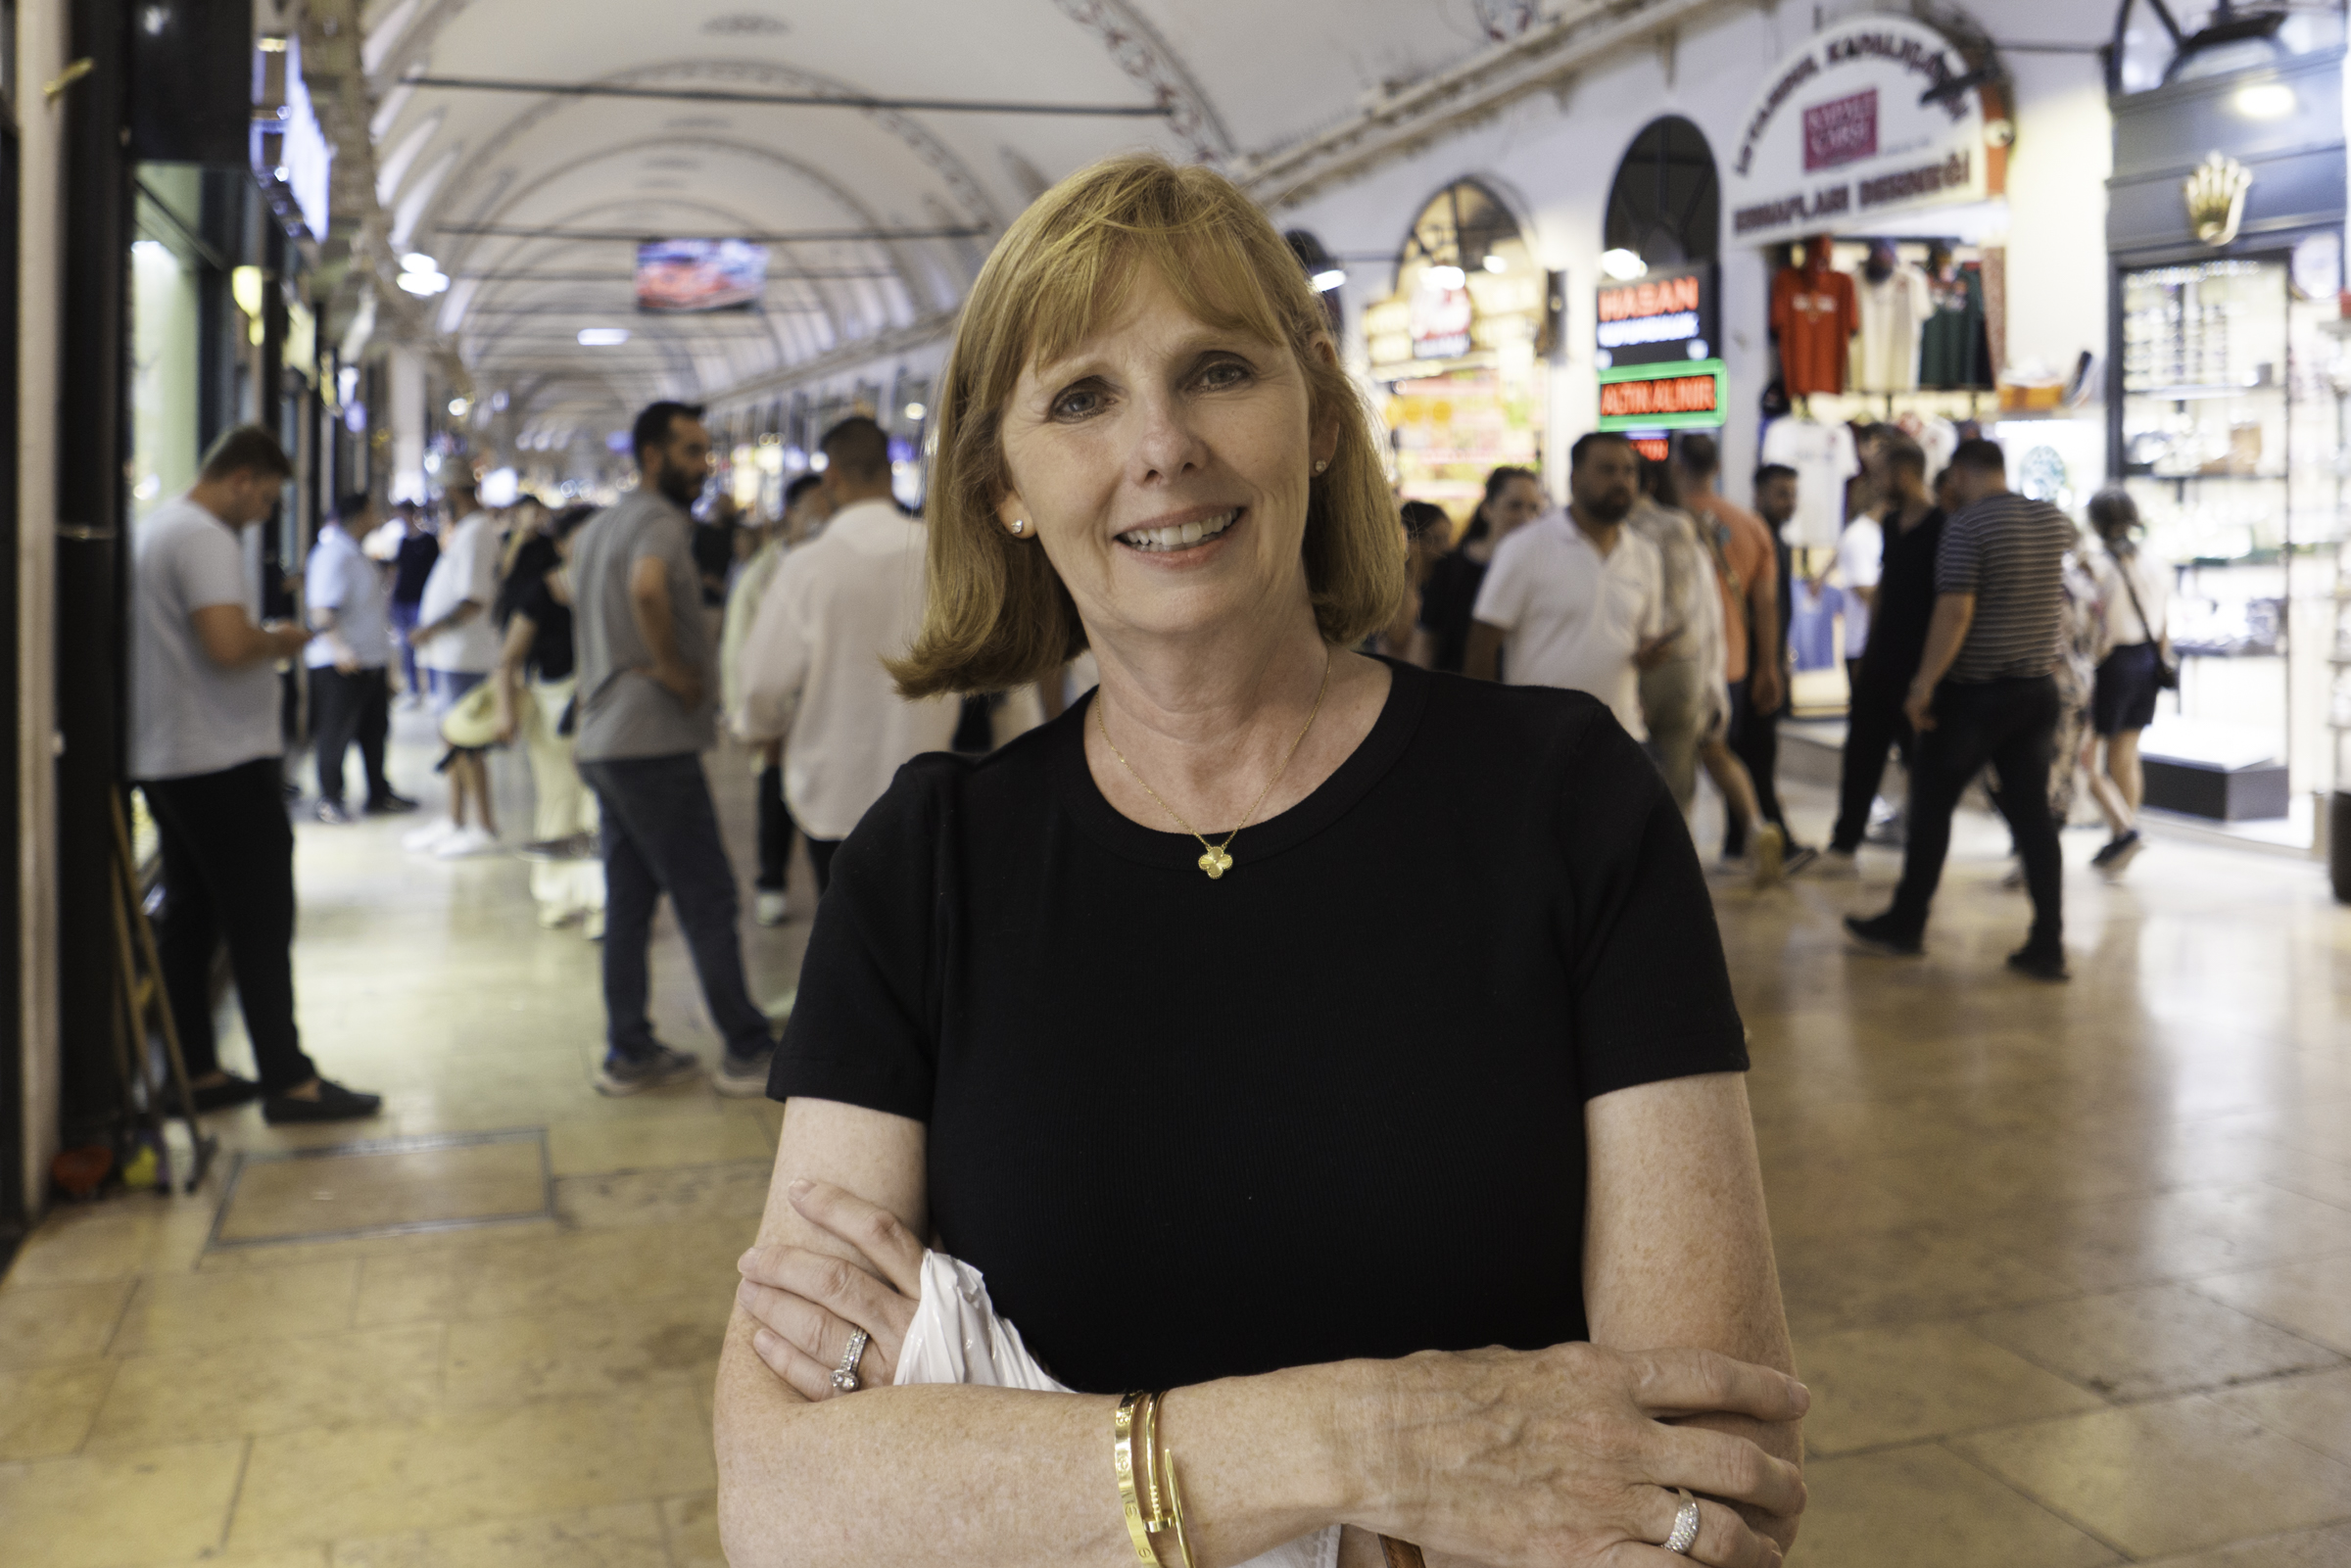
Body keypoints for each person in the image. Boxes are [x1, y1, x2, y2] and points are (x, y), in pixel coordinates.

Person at [714, 152, 1804, 1568]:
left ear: (1321, 416)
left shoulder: (1564, 800)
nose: (1162, 445)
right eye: (1082, 397)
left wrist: (1023, 1462)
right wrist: (1371, 1442)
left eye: (1219, 369)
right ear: (1004, 487)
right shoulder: (924, 868)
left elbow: (1707, 1481)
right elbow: (788, 1505)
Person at [129, 426, 383, 1123]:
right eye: (268, 498)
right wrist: (281, 639)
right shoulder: (204, 536)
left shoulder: (161, 528)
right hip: (219, 758)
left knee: (193, 917)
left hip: (173, 755)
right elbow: (225, 641)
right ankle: (289, 1081)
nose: (266, 513)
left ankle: (195, 1072)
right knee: (261, 918)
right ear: (241, 478)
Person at [571, 401, 778, 1097]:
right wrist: (674, 669)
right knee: (706, 895)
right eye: (690, 451)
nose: (703, 465)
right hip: (650, 742)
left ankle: (628, 1049)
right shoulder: (660, 521)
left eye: (704, 451)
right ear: (652, 456)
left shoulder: (600, 525)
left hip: (605, 738)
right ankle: (746, 1046)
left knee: (629, 900)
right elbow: (648, 587)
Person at [1847, 438, 2076, 980]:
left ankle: (1907, 924)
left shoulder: (1966, 526)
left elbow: (1955, 611)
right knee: (2033, 817)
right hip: (2036, 689)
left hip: (1976, 694)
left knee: (1930, 807)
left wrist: (1923, 685)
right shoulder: (2051, 520)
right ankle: (2048, 942)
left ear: (1963, 474)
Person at [737, 417, 962, 894]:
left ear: (832, 477)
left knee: (845, 913)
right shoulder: (944, 556)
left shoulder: (807, 567)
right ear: (889, 470)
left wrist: (759, 729)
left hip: (833, 786)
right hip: (929, 777)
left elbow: (761, 682)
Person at [1463, 435, 1671, 746]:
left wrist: (1651, 655)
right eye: (1607, 470)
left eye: (1629, 471)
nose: (1621, 481)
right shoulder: (1525, 547)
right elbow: (1482, 646)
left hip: (1620, 737)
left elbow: (1642, 643)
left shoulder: (1646, 555)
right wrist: (1491, 727)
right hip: (1540, 738)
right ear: (1574, 478)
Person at [1825, 438, 1943, 868]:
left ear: (1903, 473)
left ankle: (1923, 851)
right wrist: (1868, 653)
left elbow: (1947, 605)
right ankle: (1845, 844)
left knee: (1923, 762)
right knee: (1862, 753)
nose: (1874, 484)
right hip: (1881, 663)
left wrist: (1929, 677)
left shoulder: (1942, 527)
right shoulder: (1891, 525)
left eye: (1879, 475)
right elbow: (1884, 594)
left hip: (1917, 665)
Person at [723, 473, 834, 926]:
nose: (822, 515)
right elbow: (739, 646)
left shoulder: (832, 562)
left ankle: (832, 899)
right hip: (780, 713)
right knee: (776, 799)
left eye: (828, 504)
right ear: (792, 512)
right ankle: (771, 882)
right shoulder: (764, 572)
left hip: (826, 709)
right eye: (814, 506)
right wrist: (750, 717)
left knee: (826, 807)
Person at [492, 503, 605, 931]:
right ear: (560, 545)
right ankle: (558, 894)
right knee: (558, 797)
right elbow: (509, 658)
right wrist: (505, 711)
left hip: (602, 706)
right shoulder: (541, 591)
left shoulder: (613, 586)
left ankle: (600, 899)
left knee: (599, 802)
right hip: (552, 707)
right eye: (581, 536)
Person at [1677, 435, 1787, 861]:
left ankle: (1675, 852)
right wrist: (1769, 666)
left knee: (1671, 758)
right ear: (1718, 468)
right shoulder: (1751, 525)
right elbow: (1766, 605)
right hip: (1732, 663)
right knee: (1719, 750)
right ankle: (1751, 832)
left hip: (1673, 661)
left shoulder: (1665, 520)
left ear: (1675, 468)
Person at [405, 478, 504, 857]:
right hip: (450, 655)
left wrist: (429, 629)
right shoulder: (465, 531)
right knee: (453, 740)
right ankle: (455, 818)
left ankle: (483, 825)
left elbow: (473, 599)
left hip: (464, 654)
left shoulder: (477, 532)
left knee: (468, 742)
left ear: (456, 492)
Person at [304, 492, 415, 824]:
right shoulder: (333, 553)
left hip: (369, 661)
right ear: (360, 515)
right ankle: (329, 798)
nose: (377, 518)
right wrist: (339, 648)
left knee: (374, 732)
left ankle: (379, 793)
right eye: (372, 512)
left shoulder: (354, 552)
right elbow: (322, 610)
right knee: (335, 734)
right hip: (341, 662)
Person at [1732, 464, 1817, 875]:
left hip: (1764, 661)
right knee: (1757, 753)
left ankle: (1738, 840)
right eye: (1781, 493)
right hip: (1751, 664)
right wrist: (1768, 664)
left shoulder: (1778, 542)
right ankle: (1776, 838)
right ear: (1759, 493)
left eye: (1793, 493)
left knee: (1754, 751)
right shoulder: (1753, 537)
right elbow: (1759, 607)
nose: (1790, 502)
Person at [2084, 487, 2172, 878]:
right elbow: (2164, 623)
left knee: (2090, 757)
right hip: (2149, 660)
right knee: (2127, 754)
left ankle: (2124, 831)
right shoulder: (2154, 562)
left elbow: (2094, 627)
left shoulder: (2097, 565)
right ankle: (2124, 831)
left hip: (2113, 663)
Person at [1408, 465, 1543, 673]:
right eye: (1514, 506)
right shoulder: (1451, 569)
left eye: (1533, 508)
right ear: (1487, 509)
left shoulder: (1541, 573)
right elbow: (1425, 643)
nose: (1526, 518)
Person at [1373, 500, 1451, 659]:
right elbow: (1397, 638)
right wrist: (1412, 574)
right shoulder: (1396, 589)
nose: (1446, 549)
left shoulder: (1440, 583)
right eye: (1436, 540)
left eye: (1447, 539)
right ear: (1412, 543)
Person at [387, 502, 439, 704]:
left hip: (421, 600)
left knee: (425, 644)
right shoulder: (403, 542)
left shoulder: (428, 541)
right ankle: (413, 689)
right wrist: (391, 597)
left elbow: (435, 571)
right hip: (403, 599)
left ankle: (433, 690)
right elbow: (396, 571)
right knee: (406, 646)